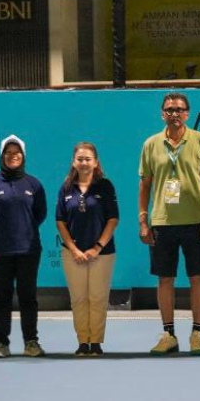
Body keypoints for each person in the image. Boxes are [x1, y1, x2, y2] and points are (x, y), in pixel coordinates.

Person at [139, 92, 200, 355]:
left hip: (196, 221)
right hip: (162, 222)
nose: (174, 113)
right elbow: (145, 183)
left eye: (179, 109)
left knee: (198, 277)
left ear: (188, 113)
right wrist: (143, 219)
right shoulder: (151, 144)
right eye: (169, 109)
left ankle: (197, 333)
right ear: (163, 113)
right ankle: (169, 334)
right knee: (165, 279)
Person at [0, 135, 47, 358]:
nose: (13, 156)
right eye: (8, 153)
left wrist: (24, 230)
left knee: (28, 297)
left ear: (23, 156)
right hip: (0, 251)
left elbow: (40, 214)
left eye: (17, 153)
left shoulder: (34, 185)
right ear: (2, 156)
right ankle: (1, 343)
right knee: (2, 298)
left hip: (28, 250)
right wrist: (1, 232)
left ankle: (31, 342)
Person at [55, 142, 119, 357]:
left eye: (88, 159)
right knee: (79, 299)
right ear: (74, 162)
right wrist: (73, 249)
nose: (83, 163)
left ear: (96, 162)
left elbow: (112, 219)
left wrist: (97, 247)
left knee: (98, 298)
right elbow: (60, 221)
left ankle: (96, 343)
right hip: (73, 254)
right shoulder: (65, 188)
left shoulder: (105, 186)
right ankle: (83, 342)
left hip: (102, 253)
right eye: (80, 159)